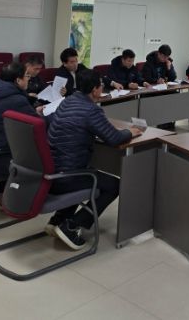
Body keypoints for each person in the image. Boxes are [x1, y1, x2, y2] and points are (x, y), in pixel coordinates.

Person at [46, 69, 142, 250]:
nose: (103, 87)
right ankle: (71, 226)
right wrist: (130, 132)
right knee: (113, 185)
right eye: (101, 85)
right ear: (95, 90)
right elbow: (114, 138)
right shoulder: (91, 110)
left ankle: (57, 220)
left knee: (88, 174)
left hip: (51, 170)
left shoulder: (68, 101)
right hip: (66, 176)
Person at [0, 62, 38, 208]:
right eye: (27, 76)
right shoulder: (16, 100)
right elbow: (39, 124)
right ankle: (23, 201)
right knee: (38, 158)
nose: (29, 80)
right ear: (18, 80)